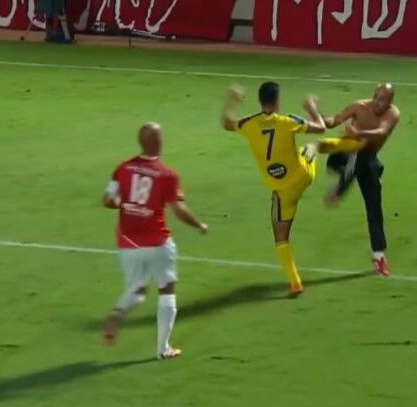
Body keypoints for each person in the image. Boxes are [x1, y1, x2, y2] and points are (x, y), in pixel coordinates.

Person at [102, 123, 207, 360]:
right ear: (160, 143)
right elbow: (179, 210)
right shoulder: (167, 175)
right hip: (157, 242)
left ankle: (118, 313)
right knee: (166, 288)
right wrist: (199, 225)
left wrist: (126, 204)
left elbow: (107, 200)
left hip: (128, 242)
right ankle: (163, 348)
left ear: (140, 142)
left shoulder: (123, 168)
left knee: (137, 291)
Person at [221, 82, 327, 296]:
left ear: (260, 101)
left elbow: (227, 122)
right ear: (278, 101)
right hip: (303, 176)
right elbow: (321, 127)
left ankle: (295, 283)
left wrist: (232, 100)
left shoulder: (249, 124)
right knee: (310, 147)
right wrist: (311, 107)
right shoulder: (288, 121)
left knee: (281, 238)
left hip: (282, 191)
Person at [314, 83, 400, 276]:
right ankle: (340, 188)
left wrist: (358, 133)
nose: (379, 102)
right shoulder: (358, 107)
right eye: (377, 97)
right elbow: (334, 121)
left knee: (374, 204)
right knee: (359, 152)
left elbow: (382, 132)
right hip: (343, 157)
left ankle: (378, 255)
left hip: (367, 161)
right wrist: (317, 113)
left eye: (384, 100)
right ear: (373, 96)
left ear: (390, 102)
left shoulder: (392, 114)